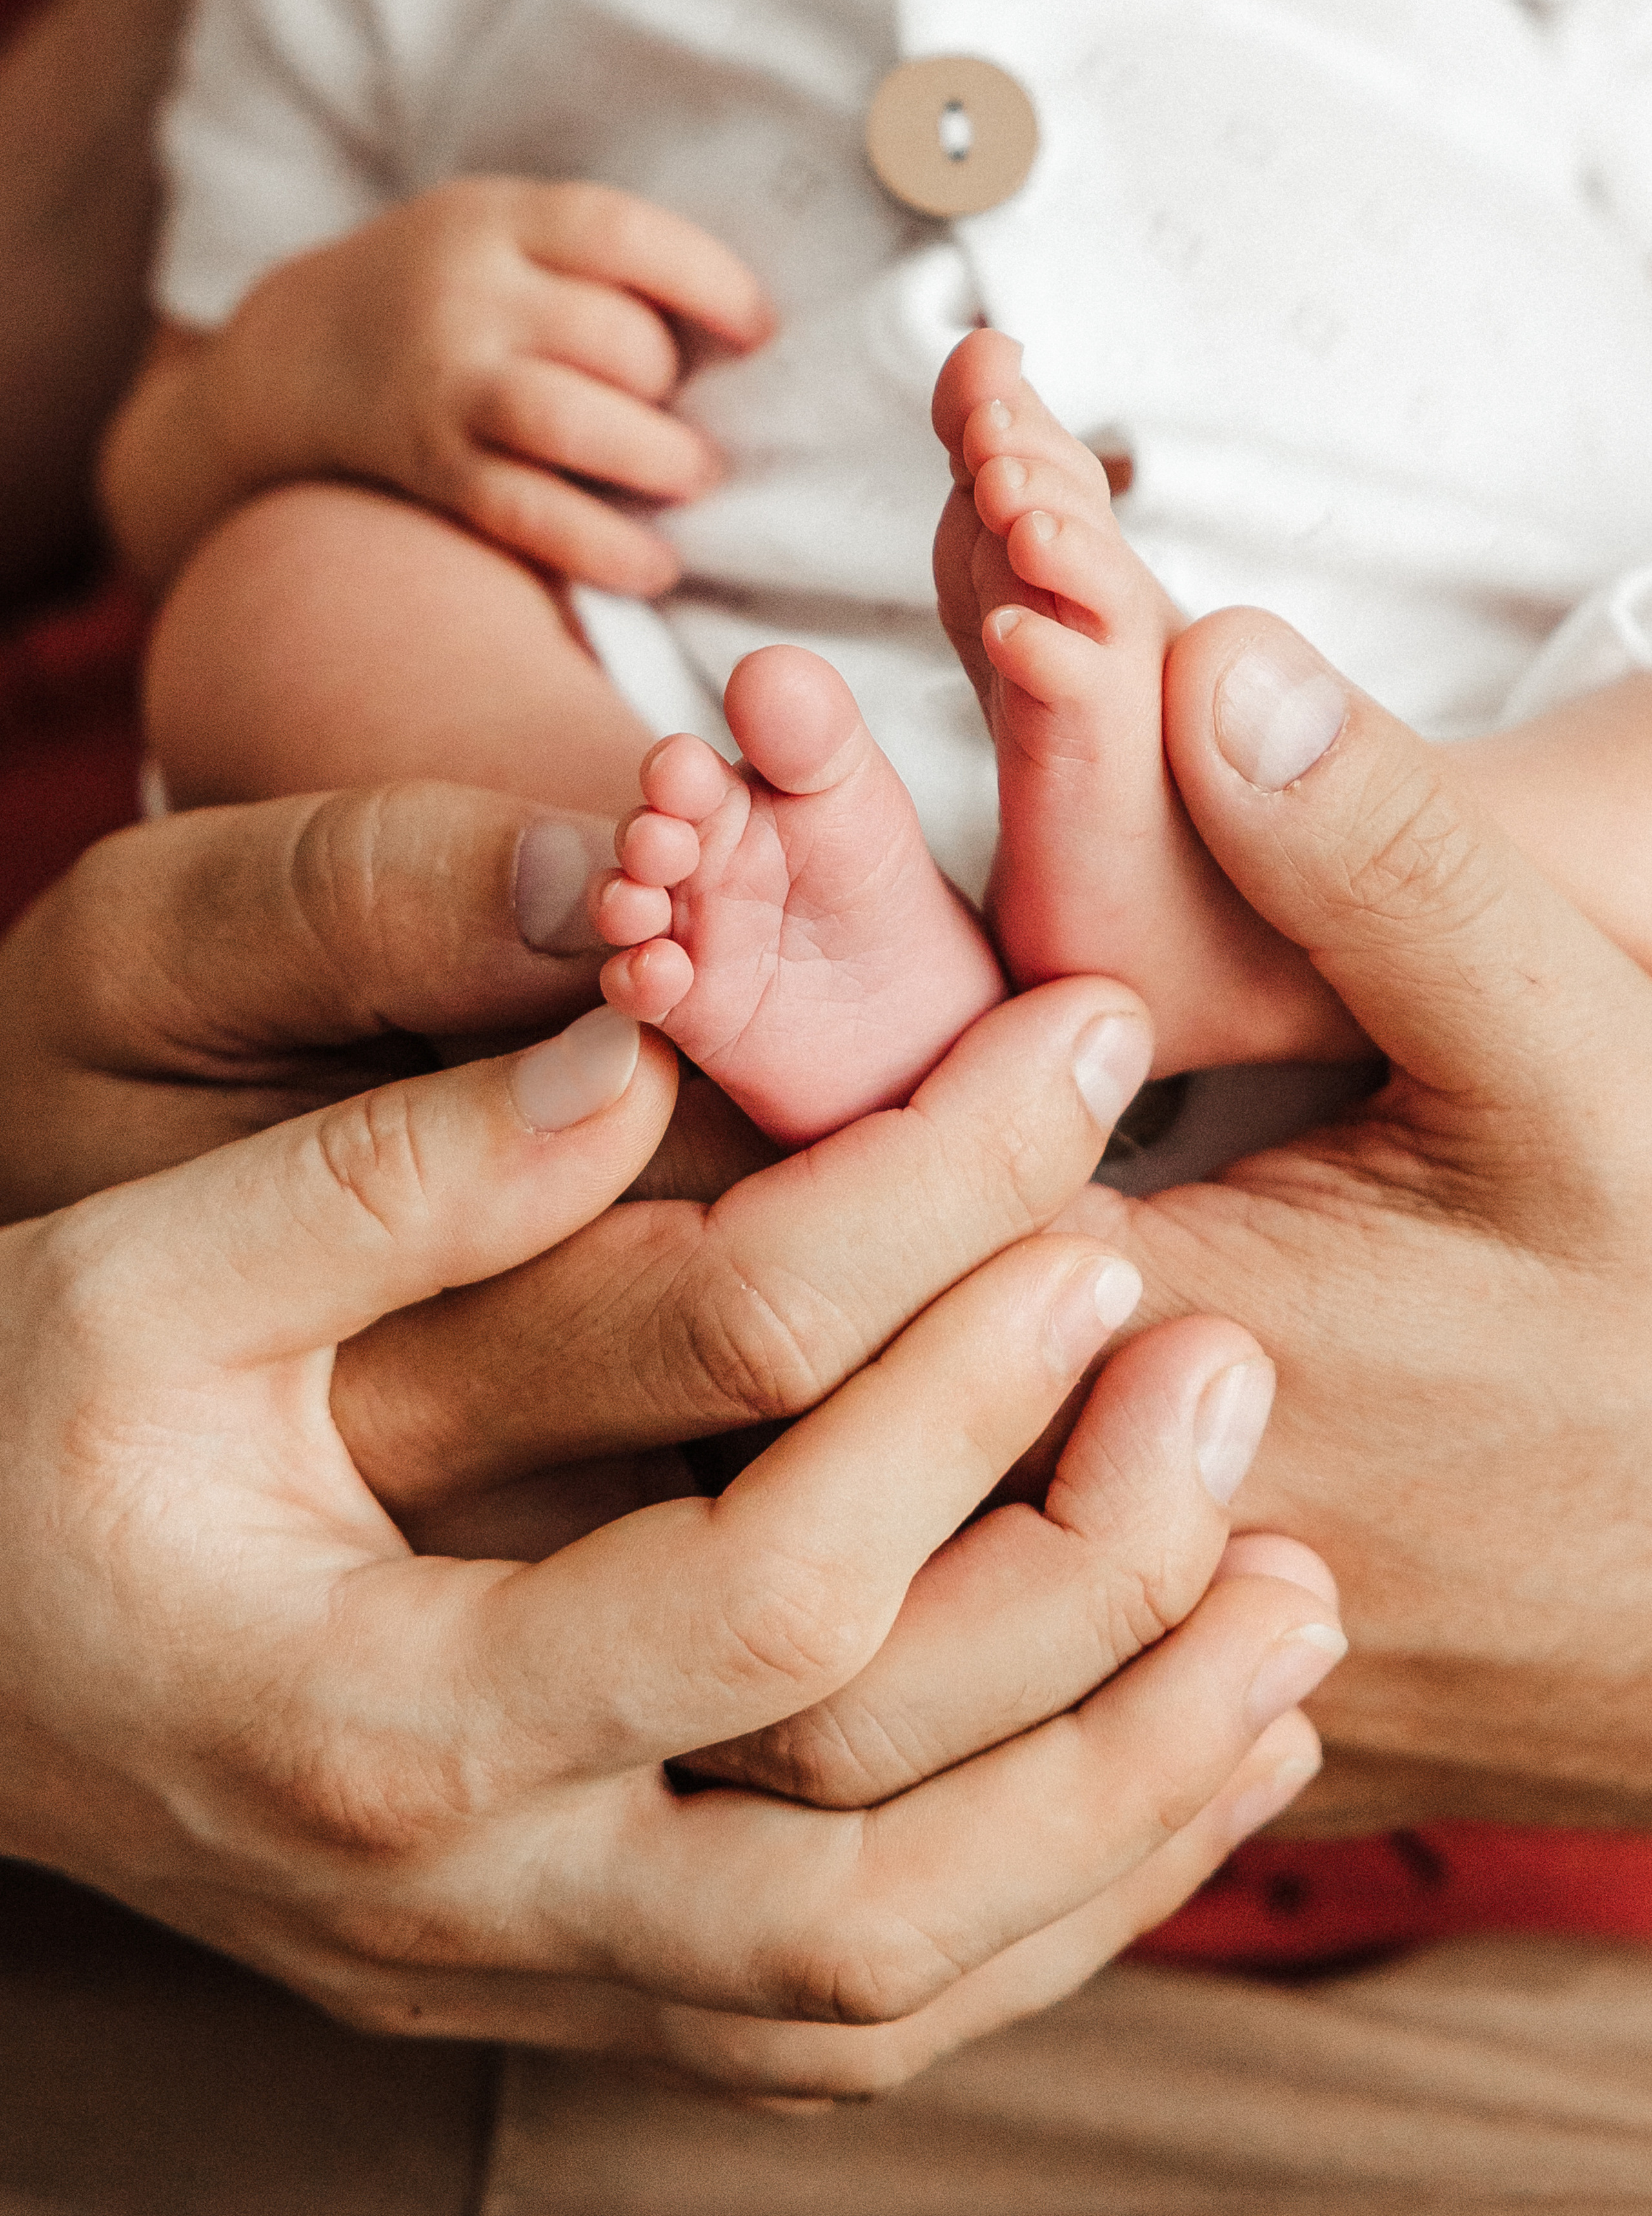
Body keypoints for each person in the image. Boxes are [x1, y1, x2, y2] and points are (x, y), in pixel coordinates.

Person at [10, 628, 1652, 2206]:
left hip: (1446, 1975)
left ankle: (1138, 949)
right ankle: (711, 921)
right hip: (230, 1412)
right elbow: (210, 504)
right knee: (311, 590)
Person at [101, 0, 1652, 1133]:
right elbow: (168, 461)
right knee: (279, 588)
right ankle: (739, 916)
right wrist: (313, 358)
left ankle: (1259, 939)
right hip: (696, 708)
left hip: (1474, 728)